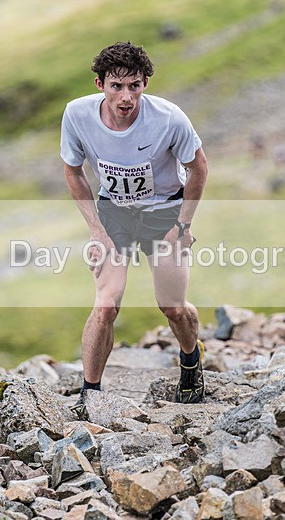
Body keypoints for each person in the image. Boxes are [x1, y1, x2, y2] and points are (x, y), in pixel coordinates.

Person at [60, 42, 209, 411]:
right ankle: (90, 393)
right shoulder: (76, 115)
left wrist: (184, 223)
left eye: (135, 86)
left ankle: (191, 362)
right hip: (115, 212)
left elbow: (199, 169)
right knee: (106, 305)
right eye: (117, 86)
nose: (126, 97)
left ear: (145, 84)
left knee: (172, 307)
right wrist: (96, 231)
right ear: (99, 84)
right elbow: (73, 171)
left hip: (164, 212)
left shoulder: (169, 118)